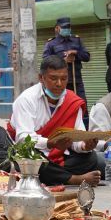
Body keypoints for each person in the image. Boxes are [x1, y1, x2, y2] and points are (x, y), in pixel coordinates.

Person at [8, 55, 102, 186]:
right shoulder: (26, 99)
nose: (59, 84)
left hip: (60, 156)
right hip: (36, 153)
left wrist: (85, 145)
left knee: (91, 158)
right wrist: (50, 143)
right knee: (28, 158)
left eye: (63, 79)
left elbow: (76, 139)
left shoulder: (72, 101)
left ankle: (53, 176)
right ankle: (73, 179)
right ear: (41, 78)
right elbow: (23, 139)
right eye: (53, 78)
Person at [42, 17, 91, 100]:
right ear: (57, 28)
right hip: (59, 81)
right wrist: (63, 60)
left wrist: (76, 53)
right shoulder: (51, 43)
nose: (67, 29)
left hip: (76, 80)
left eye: (68, 27)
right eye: (64, 27)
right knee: (62, 105)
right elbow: (45, 61)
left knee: (81, 105)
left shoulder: (77, 40)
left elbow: (87, 57)